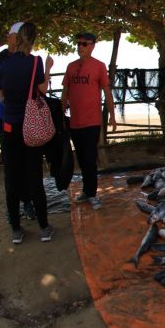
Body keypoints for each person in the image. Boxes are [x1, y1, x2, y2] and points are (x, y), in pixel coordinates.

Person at [0, 22, 54, 244]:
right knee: (34, 177)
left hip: (9, 126)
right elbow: (42, 90)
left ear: (18, 38)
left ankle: (16, 230)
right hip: (29, 127)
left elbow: (1, 93)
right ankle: (43, 228)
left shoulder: (4, 63)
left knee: (12, 178)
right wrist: (48, 67)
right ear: (34, 39)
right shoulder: (35, 62)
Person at [0, 22, 43, 221]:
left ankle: (27, 202)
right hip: (6, 118)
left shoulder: (29, 59)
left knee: (28, 164)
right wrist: (3, 89)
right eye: (11, 35)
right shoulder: (0, 59)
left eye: (14, 35)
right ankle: (13, 207)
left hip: (27, 119)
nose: (11, 38)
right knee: (11, 166)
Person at [61, 32, 116, 210]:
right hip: (74, 122)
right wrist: (61, 115)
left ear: (92, 46)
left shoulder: (99, 66)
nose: (80, 47)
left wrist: (113, 116)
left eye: (84, 44)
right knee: (81, 158)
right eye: (78, 43)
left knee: (90, 158)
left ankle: (91, 193)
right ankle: (86, 191)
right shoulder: (70, 67)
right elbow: (65, 92)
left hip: (92, 121)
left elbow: (107, 92)